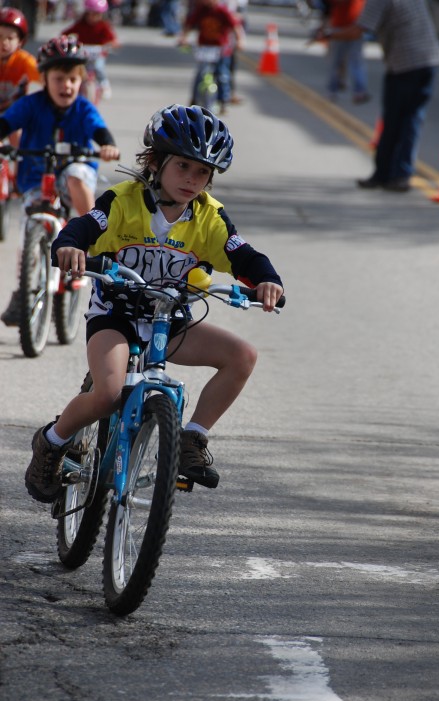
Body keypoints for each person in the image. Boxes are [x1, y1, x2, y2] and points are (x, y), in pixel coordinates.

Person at [24, 103, 284, 503]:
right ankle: (53, 441)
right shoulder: (123, 201)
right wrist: (71, 249)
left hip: (171, 321)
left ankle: (192, 439)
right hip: (116, 316)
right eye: (183, 166)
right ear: (156, 162)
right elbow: (79, 229)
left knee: (242, 356)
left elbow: (244, 256)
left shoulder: (209, 218)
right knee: (109, 393)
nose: (192, 179)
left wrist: (267, 280)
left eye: (202, 172)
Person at [0, 34, 120, 327]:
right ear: (44, 78)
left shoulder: (83, 108)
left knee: (77, 177)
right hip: (35, 176)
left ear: (80, 81)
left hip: (73, 172)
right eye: (58, 78)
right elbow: (7, 122)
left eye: (72, 79)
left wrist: (107, 145)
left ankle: (96, 240)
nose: (66, 85)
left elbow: (99, 130)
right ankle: (24, 289)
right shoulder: (31, 104)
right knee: (30, 226)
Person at [312, 0, 439, 192]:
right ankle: (396, 174)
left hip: (405, 64)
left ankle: (389, 174)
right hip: (428, 59)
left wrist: (329, 34)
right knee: (411, 117)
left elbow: (358, 31)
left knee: (396, 120)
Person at [178, 0, 245, 113]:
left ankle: (223, 101)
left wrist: (240, 40)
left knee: (222, 74)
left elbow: (235, 26)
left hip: (220, 48)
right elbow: (189, 24)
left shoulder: (222, 11)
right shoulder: (201, 10)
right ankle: (194, 100)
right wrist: (183, 37)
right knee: (200, 74)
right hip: (205, 47)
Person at [63, 0, 120, 99]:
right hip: (83, 53)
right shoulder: (81, 25)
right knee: (77, 68)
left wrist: (110, 45)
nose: (93, 17)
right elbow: (66, 33)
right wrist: (66, 41)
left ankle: (104, 84)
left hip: (97, 54)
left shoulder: (103, 26)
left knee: (98, 67)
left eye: (97, 14)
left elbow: (113, 40)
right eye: (91, 14)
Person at [319, 0, 370, 104]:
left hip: (355, 27)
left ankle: (359, 91)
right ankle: (332, 89)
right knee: (335, 61)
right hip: (340, 26)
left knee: (355, 62)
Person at [0, 7, 40, 116]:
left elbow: (43, 80)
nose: (4, 42)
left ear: (20, 42)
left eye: (10, 38)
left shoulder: (25, 61)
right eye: (0, 37)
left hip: (16, 112)